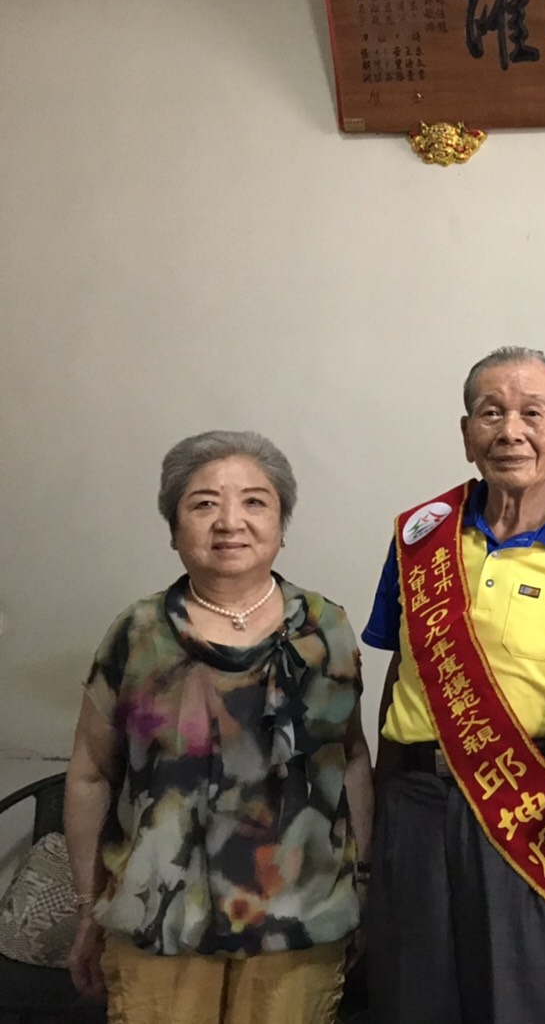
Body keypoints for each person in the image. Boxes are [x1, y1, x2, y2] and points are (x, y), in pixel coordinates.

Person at [362, 346, 545, 1024]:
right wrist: (377, 815)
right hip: (417, 807)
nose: (510, 431)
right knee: (411, 1001)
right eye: (491, 413)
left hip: (537, 810)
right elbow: (402, 674)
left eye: (532, 413)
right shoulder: (419, 536)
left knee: (528, 1004)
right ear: (467, 435)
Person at [63, 430, 372, 1024]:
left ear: (282, 524)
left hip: (301, 924)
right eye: (204, 503)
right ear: (173, 528)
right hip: (158, 923)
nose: (230, 521)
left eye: (255, 501)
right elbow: (90, 773)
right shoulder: (138, 633)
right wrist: (86, 905)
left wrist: (364, 883)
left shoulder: (326, 629)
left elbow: (351, 757)